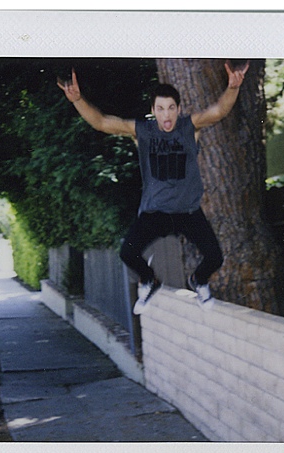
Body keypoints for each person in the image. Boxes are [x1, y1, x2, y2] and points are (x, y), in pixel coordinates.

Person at [58, 61, 249, 314]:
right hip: (155, 212)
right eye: (161, 109)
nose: (166, 115)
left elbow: (218, 111)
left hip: (187, 212)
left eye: (171, 108)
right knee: (127, 253)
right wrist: (78, 100)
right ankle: (150, 280)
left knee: (215, 257)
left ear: (178, 109)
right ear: (153, 111)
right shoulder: (143, 132)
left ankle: (199, 281)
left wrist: (233, 87)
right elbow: (102, 122)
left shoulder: (189, 128)